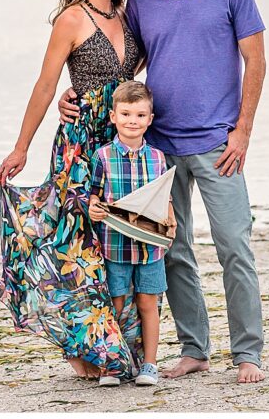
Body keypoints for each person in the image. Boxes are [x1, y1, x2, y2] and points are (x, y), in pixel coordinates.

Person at [59, 0, 267, 384]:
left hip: (219, 144)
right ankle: (195, 349)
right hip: (157, 148)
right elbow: (122, 66)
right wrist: (77, 93)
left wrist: (243, 132)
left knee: (234, 244)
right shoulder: (143, 1)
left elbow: (255, 62)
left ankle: (248, 354)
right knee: (169, 249)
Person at [0, 0, 147, 382]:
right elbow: (45, 84)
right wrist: (21, 146)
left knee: (115, 244)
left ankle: (117, 347)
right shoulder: (72, 19)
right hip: (80, 145)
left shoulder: (128, 13)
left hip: (120, 145)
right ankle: (89, 349)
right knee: (76, 246)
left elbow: (129, 72)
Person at [87, 81, 176, 388]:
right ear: (113, 116)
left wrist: (171, 222)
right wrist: (94, 209)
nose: (132, 121)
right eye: (125, 114)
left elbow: (164, 197)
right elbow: (94, 197)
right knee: (117, 303)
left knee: (148, 302)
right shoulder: (102, 157)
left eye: (140, 115)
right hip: (115, 246)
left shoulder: (158, 158)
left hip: (150, 247)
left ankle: (149, 364)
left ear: (150, 119)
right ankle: (113, 364)